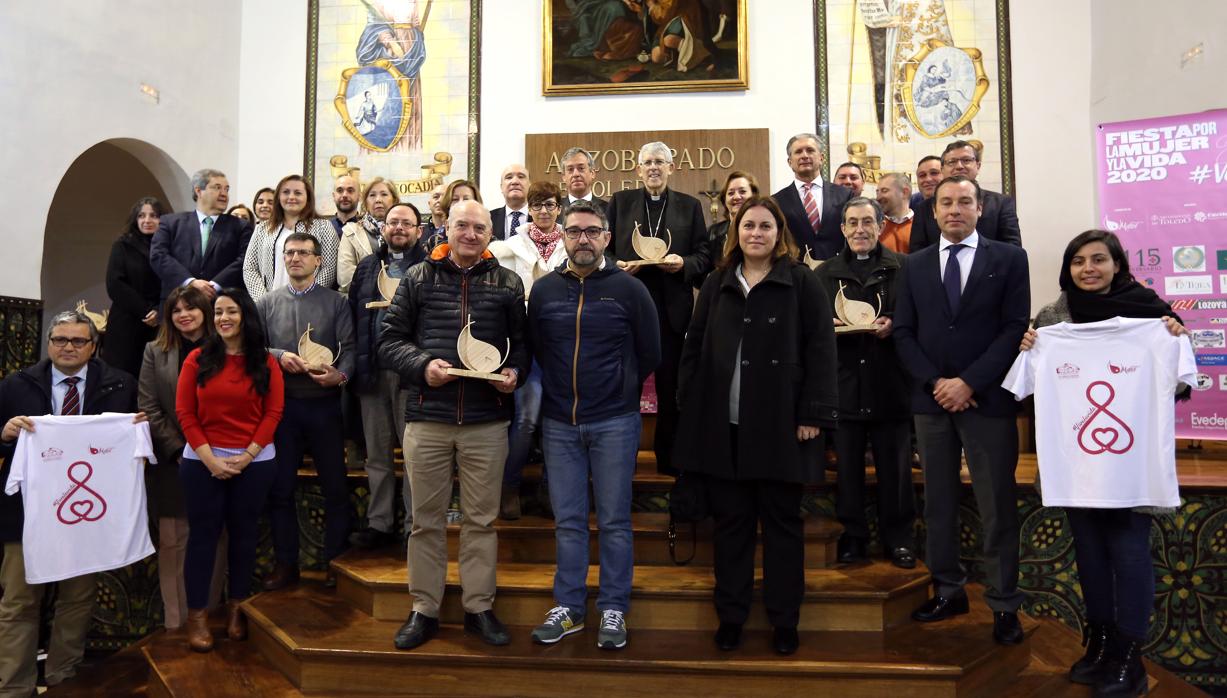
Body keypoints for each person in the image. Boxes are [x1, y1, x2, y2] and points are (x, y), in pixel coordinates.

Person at [1016, 230, 1189, 695]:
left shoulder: (1152, 313)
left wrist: (1175, 340)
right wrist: (1029, 347)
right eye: (1077, 261)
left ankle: (1129, 658)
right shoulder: (1052, 318)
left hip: (1131, 469)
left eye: (1098, 260)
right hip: (1078, 468)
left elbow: (1179, 387)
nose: (1087, 269)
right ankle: (1100, 645)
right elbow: (1028, 387)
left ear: (1118, 264)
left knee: (1129, 555)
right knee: (1090, 557)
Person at [675, 195, 838, 656]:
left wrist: (813, 413)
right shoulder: (716, 282)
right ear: (736, 232)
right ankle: (732, 617)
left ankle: (785, 621)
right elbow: (695, 346)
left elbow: (822, 351)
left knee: (783, 530)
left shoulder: (803, 282)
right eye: (748, 226)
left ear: (779, 233)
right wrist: (691, 403)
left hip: (783, 429)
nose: (756, 234)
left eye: (766, 226)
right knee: (732, 529)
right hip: (724, 427)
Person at [379, 200, 529, 651]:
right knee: (425, 522)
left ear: (489, 234)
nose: (469, 233)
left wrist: (514, 375)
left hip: (486, 423)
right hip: (429, 418)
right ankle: (424, 608)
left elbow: (521, 346)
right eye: (461, 225)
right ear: (445, 227)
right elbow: (389, 341)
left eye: (478, 227)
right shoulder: (418, 278)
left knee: (481, 521)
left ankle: (478, 608)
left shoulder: (508, 282)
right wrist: (423, 366)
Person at [892, 175, 1030, 645]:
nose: (954, 209)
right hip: (931, 403)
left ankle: (1004, 603)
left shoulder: (1010, 258)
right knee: (939, 503)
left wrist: (968, 382)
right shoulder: (912, 266)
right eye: (946, 202)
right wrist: (938, 384)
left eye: (964, 202)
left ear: (980, 208)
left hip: (987, 400)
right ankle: (948, 589)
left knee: (997, 506)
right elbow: (903, 333)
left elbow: (1014, 328)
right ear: (933, 212)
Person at [526, 200, 660, 650]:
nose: (582, 238)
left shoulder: (629, 290)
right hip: (560, 422)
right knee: (567, 521)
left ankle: (614, 608)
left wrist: (619, 390)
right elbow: (538, 350)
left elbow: (650, 352)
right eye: (574, 231)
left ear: (606, 237)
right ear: (562, 236)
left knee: (615, 521)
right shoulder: (544, 291)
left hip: (615, 422)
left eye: (592, 231)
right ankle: (568, 607)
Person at [0, 311, 141, 693]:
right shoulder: (16, 384)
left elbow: (133, 443)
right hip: (25, 512)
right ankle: (13, 688)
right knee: (18, 600)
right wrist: (5, 431)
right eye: (60, 339)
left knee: (77, 599)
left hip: (85, 517)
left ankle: (64, 682)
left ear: (93, 347)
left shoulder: (120, 385)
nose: (68, 347)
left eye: (78, 341)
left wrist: (137, 432)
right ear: (48, 343)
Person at [175, 288, 284, 652]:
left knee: (244, 536)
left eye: (231, 311)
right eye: (218, 312)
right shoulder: (197, 359)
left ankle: (237, 608)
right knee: (202, 538)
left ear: (245, 317)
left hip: (253, 463)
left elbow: (273, 413)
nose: (223, 318)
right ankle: (198, 617)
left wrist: (247, 456)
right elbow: (185, 413)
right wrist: (210, 460)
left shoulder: (266, 362)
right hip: (202, 462)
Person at [815, 197, 915, 568]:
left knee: (897, 471)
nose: (860, 229)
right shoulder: (823, 274)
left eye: (867, 222)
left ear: (879, 226)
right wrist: (829, 329)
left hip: (890, 382)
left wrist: (895, 324)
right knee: (848, 472)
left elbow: (915, 318)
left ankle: (900, 539)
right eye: (852, 223)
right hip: (844, 385)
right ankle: (853, 538)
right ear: (842, 229)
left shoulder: (904, 268)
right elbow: (811, 327)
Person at [257, 233, 355, 590]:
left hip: (325, 405)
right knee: (280, 489)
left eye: (303, 253)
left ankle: (335, 561)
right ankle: (286, 564)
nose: (296, 258)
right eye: (290, 252)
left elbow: (351, 347)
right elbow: (254, 348)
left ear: (318, 261)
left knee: (336, 488)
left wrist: (340, 374)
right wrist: (279, 356)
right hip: (282, 409)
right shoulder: (267, 303)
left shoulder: (336, 302)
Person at [606, 141, 710, 476]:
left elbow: (703, 254)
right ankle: (622, 461)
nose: (653, 167)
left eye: (660, 162)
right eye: (647, 162)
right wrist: (615, 265)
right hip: (628, 311)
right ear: (638, 169)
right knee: (625, 390)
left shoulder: (689, 206)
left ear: (671, 167)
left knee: (671, 392)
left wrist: (684, 263)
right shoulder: (620, 203)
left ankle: (670, 460)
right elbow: (601, 248)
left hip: (672, 315)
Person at [138, 286, 222, 631]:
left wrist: (214, 452)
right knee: (173, 542)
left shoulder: (226, 348)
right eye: (176, 310)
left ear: (205, 310)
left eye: (190, 308)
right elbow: (148, 406)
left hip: (221, 457)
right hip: (174, 459)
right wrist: (180, 449)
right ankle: (176, 622)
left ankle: (208, 616)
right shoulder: (155, 351)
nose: (183, 315)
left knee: (215, 538)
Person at [347, 202, 428, 548]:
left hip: (410, 373)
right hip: (372, 371)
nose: (398, 228)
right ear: (382, 228)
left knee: (414, 454)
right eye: (392, 222)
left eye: (406, 223)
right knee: (377, 454)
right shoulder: (366, 268)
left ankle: (414, 524)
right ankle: (379, 522)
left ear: (418, 231)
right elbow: (353, 317)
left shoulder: (429, 268)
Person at [488, 181, 569, 520]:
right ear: (530, 209)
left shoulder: (572, 241)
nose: (545, 211)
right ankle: (510, 486)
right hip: (526, 343)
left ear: (559, 207)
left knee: (558, 420)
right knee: (525, 418)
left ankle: (551, 489)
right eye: (538, 205)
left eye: (550, 204)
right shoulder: (510, 246)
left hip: (564, 344)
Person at [150, 168, 254, 299]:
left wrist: (214, 286)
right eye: (217, 188)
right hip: (178, 302)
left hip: (221, 302)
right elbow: (158, 255)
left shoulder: (240, 226)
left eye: (226, 189)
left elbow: (245, 260)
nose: (224, 194)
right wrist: (190, 282)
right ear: (198, 191)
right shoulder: (171, 222)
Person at [242, 174, 339, 302]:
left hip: (310, 303)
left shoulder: (323, 226)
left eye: (298, 193)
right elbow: (250, 268)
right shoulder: (262, 229)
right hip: (269, 304)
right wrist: (264, 300)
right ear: (278, 197)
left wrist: (308, 294)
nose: (291, 197)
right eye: (286, 192)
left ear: (308, 198)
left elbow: (329, 268)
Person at [909, 142, 1021, 250]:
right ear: (942, 169)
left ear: (978, 165)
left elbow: (1012, 251)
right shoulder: (924, 208)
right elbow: (918, 254)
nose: (959, 166)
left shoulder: (1000, 204)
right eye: (952, 162)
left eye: (966, 160)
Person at [103, 196, 166, 379]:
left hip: (158, 324)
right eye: (141, 216)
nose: (147, 221)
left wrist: (159, 310)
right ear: (135, 219)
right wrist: (146, 311)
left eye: (153, 216)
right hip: (127, 321)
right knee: (122, 377)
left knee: (152, 379)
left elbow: (171, 284)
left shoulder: (167, 249)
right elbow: (115, 284)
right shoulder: (122, 245)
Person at [772, 133, 852, 261]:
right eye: (798, 152)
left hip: (837, 270)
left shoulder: (844, 195)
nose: (804, 155)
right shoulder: (776, 201)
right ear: (790, 162)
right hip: (795, 271)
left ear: (821, 158)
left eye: (810, 150)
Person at [338, 177, 398, 293]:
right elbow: (345, 278)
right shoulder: (351, 231)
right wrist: (382, 289)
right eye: (372, 195)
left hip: (401, 301)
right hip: (363, 301)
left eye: (384, 194)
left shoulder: (404, 231)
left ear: (394, 200)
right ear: (365, 202)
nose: (378, 200)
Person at [703, 170, 758, 276]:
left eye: (742, 191)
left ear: (753, 195)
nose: (736, 197)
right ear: (724, 199)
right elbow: (701, 274)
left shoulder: (764, 230)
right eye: (731, 193)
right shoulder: (712, 233)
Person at [423, 179, 482, 250]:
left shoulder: (487, 239)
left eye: (466, 199)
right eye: (455, 199)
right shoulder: (434, 242)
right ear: (448, 204)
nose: (460, 203)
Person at [875, 172, 914, 254]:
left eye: (884, 191)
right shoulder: (875, 226)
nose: (878, 198)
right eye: (877, 192)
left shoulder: (922, 225)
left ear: (904, 192)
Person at [490, 164, 530, 241]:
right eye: (509, 177)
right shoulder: (489, 218)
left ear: (529, 185)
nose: (515, 181)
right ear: (501, 187)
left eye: (521, 177)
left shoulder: (542, 217)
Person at [422, 183, 447, 250]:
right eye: (436, 197)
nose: (440, 200)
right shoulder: (419, 233)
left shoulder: (456, 232)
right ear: (429, 204)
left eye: (445, 197)